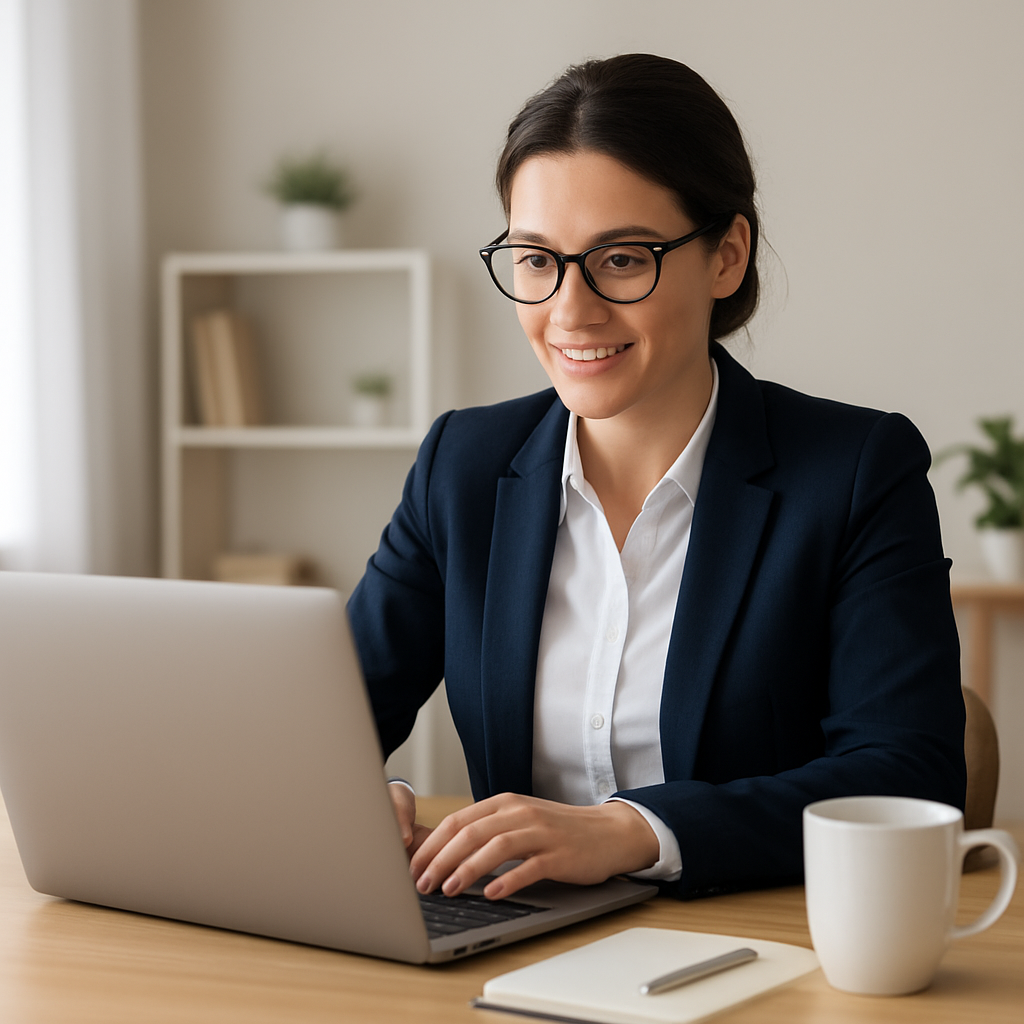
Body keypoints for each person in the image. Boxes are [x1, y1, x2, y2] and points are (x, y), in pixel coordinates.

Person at [347, 53, 965, 901]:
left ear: (726, 256)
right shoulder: (464, 465)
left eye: (623, 258)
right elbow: (326, 724)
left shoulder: (857, 472)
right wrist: (347, 799)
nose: (570, 311)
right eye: (535, 259)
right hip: (508, 944)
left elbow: (909, 776)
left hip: (757, 951)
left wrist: (631, 831)